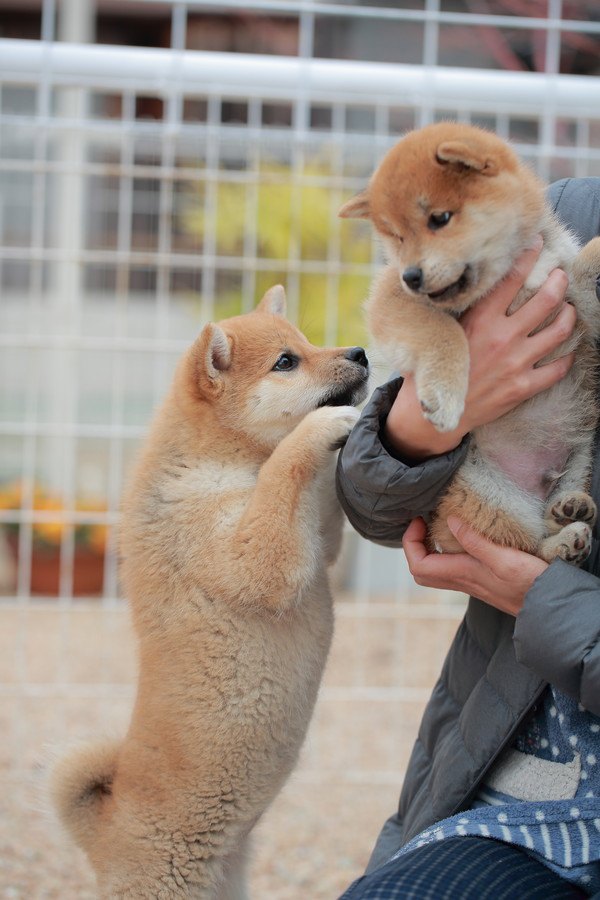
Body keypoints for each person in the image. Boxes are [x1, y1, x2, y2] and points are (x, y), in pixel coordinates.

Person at [336, 177, 600, 900]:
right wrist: (426, 421)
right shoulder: (564, 216)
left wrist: (547, 603)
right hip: (528, 798)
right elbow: (376, 511)